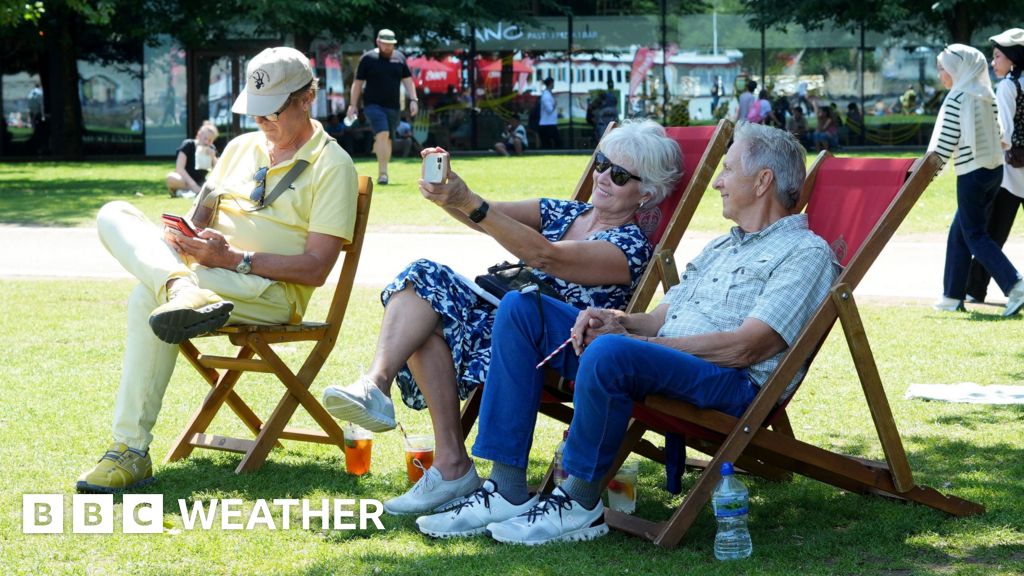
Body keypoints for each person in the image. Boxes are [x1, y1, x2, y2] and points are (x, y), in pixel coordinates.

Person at [413, 122, 840, 545]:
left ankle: (579, 504)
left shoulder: (804, 253)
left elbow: (748, 346)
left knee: (612, 352)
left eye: (727, 170)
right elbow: (659, 317)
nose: (719, 184)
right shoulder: (723, 246)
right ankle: (505, 489)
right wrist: (616, 320)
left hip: (726, 380)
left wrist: (637, 344)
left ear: (763, 180)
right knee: (523, 308)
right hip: (663, 358)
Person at [322, 119, 683, 516]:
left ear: (646, 194)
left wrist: (469, 202)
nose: (602, 177)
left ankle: (452, 466)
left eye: (619, 175)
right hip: (506, 317)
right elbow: (487, 216)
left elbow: (546, 256)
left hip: (554, 342)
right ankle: (377, 387)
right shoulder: (567, 213)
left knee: (429, 323)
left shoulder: (629, 247)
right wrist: (451, 194)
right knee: (421, 280)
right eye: (601, 163)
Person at [76, 46, 359, 493]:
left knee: (146, 295)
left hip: (270, 293)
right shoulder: (241, 147)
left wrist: (233, 259)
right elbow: (201, 212)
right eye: (256, 111)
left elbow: (316, 268)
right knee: (113, 212)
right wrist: (185, 236)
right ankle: (179, 286)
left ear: (307, 97)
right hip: (208, 274)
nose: (261, 121)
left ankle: (129, 451)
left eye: (272, 111)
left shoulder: (333, 164)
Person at [928, 44, 1024, 316]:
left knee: (974, 235)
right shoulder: (986, 94)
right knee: (960, 232)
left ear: (957, 69)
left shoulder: (958, 98)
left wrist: (923, 174)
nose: (940, 75)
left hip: (972, 172)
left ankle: (1015, 284)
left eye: (942, 69)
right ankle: (951, 295)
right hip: (994, 172)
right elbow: (1002, 135)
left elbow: (944, 145)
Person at [966, 29, 1024, 304]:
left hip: (1011, 175)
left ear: (1013, 58)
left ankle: (974, 290)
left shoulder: (1008, 87)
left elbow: (1004, 135)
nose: (993, 62)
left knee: (992, 235)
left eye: (998, 56)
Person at [347, 29, 418, 185]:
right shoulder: (367, 59)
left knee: (387, 140)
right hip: (372, 105)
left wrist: (413, 99)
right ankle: (383, 174)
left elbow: (408, 81)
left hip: (393, 107)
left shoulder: (399, 58)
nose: (388, 48)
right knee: (383, 133)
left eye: (391, 45)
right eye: (385, 44)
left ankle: (378, 147)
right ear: (378, 42)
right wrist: (353, 105)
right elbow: (357, 83)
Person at [165, 121, 219, 199]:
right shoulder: (188, 145)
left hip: (201, 181)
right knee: (171, 178)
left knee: (215, 185)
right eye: (205, 138)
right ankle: (197, 191)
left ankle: (185, 192)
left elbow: (218, 170)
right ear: (199, 135)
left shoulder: (212, 149)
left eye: (210, 140)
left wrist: (213, 157)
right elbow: (179, 168)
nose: (207, 142)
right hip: (184, 179)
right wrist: (193, 186)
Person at [538, 77, 561, 149]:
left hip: (550, 123)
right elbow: (549, 110)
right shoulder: (546, 96)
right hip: (547, 124)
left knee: (549, 143)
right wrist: (555, 104)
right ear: (551, 84)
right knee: (556, 142)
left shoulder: (548, 94)